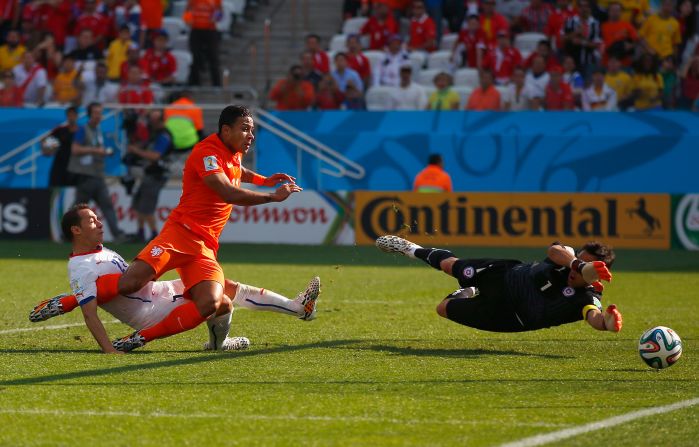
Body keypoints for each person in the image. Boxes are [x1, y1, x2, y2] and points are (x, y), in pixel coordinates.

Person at [112, 105, 303, 352]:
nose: (251, 136)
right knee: (129, 283)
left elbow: (237, 170)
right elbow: (226, 191)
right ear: (226, 130)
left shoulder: (233, 150)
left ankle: (140, 338)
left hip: (204, 246)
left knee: (212, 302)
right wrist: (270, 196)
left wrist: (262, 180)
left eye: (252, 130)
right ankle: (81, 292)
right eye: (245, 129)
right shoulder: (206, 152)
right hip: (179, 234)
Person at [28, 204, 320, 353]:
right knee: (223, 303)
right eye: (92, 220)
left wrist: (67, 301)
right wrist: (108, 350)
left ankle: (297, 308)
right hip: (150, 312)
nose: (99, 222)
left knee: (225, 287)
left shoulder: (100, 251)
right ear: (75, 231)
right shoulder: (81, 267)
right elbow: (91, 312)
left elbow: (115, 286)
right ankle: (146, 339)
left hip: (156, 292)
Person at [376, 235, 623, 334]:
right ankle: (412, 249)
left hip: (509, 318)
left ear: (600, 275)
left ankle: (468, 292)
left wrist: (608, 323)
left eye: (587, 266)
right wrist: (579, 266)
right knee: (451, 265)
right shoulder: (569, 260)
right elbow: (555, 249)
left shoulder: (587, 298)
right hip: (505, 276)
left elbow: (594, 318)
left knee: (443, 309)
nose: (578, 264)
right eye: (580, 258)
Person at [68, 102, 126, 242]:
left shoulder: (97, 130)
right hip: (86, 176)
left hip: (96, 175)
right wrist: (96, 151)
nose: (99, 116)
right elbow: (75, 150)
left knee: (104, 206)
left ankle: (117, 234)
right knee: (80, 210)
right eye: (96, 113)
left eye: (100, 113)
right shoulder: (83, 129)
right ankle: (66, 231)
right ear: (89, 114)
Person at [125, 109, 172, 242]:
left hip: (156, 175)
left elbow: (155, 156)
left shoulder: (163, 136)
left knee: (147, 207)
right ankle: (141, 233)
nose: (151, 123)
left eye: (154, 120)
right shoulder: (155, 134)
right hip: (149, 174)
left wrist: (136, 150)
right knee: (140, 204)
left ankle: (154, 234)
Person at [183, 0, 222, 86]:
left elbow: (219, 12)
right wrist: (188, 20)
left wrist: (213, 20)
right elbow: (188, 10)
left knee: (213, 57)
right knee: (195, 56)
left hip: (210, 30)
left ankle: (217, 84)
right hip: (195, 30)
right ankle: (195, 82)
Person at [42, 106, 79, 187]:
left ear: (77, 116)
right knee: (54, 188)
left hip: (75, 166)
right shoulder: (60, 130)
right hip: (60, 166)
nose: (71, 117)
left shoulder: (81, 131)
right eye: (69, 115)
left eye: (73, 115)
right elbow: (45, 139)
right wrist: (47, 150)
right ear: (67, 116)